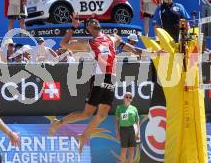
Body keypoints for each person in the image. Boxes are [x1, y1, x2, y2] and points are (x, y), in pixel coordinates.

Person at [49, 15, 144, 153]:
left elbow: (135, 50)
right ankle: (58, 124)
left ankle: (83, 136)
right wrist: (73, 27)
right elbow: (63, 44)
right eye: (90, 22)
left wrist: (154, 53)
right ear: (88, 28)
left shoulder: (113, 37)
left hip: (112, 77)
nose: (94, 21)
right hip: (99, 77)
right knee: (87, 114)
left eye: (95, 20)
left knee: (102, 114)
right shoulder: (88, 42)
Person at [115, 92, 140, 163]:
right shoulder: (119, 108)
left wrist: (138, 132)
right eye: (126, 96)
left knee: (132, 149)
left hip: (132, 129)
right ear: (123, 98)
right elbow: (117, 121)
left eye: (130, 97)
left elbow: (137, 121)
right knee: (123, 149)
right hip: (123, 129)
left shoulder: (134, 108)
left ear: (131, 99)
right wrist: (117, 132)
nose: (128, 98)